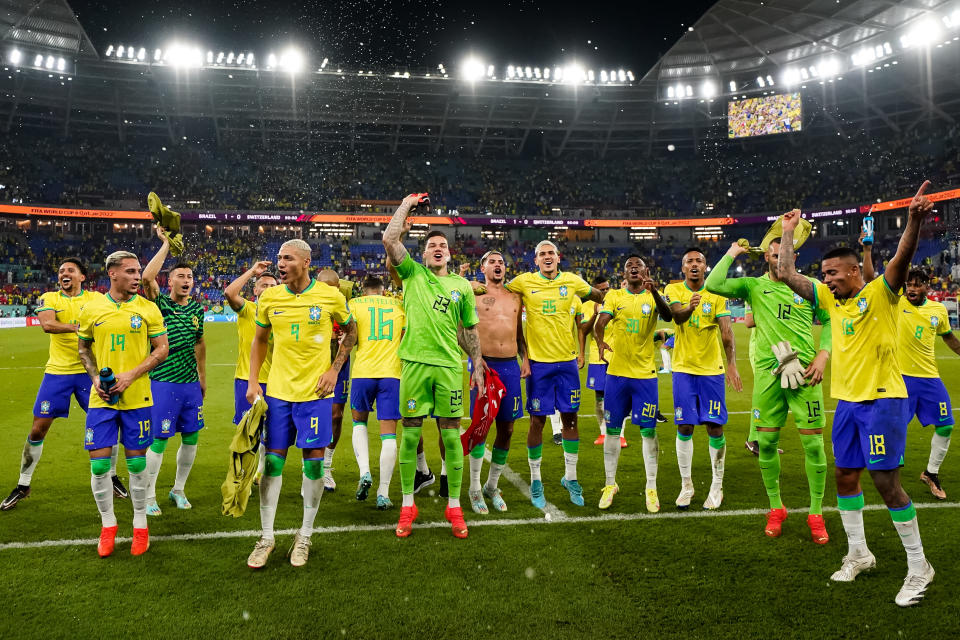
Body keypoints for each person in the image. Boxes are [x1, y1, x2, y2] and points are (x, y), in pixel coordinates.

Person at [778, 184, 936, 606]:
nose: (826, 279)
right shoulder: (831, 302)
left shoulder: (880, 294)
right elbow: (787, 274)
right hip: (847, 403)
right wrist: (789, 231)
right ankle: (859, 553)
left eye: (832, 273)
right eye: (824, 274)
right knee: (845, 477)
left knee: (887, 484)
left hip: (883, 400)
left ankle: (919, 566)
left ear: (852, 271)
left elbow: (901, 259)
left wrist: (915, 218)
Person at [706, 238, 832, 543]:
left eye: (784, 255)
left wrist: (823, 354)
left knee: (814, 446)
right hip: (768, 376)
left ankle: (816, 513)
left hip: (804, 373)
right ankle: (776, 507)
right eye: (774, 256)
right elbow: (713, 282)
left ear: (794, 255)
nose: (779, 261)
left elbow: (830, 321)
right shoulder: (751, 285)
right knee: (765, 443)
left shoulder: (811, 286)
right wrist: (732, 252)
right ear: (767, 257)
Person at [245, 239, 356, 569]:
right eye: (279, 257)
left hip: (315, 395)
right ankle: (266, 537)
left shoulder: (330, 296)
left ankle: (304, 535)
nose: (280, 263)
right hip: (278, 394)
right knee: (273, 466)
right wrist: (253, 382)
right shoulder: (270, 297)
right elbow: (260, 340)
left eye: (288, 258)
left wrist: (335, 370)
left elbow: (351, 331)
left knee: (313, 466)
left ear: (306, 262)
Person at [382, 194, 485, 538]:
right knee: (410, 436)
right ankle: (407, 504)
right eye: (432, 245)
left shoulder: (461, 288)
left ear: (449, 254)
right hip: (414, 365)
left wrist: (478, 364)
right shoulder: (411, 274)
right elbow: (389, 238)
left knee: (452, 437)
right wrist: (407, 204)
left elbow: (469, 331)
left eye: (443, 244)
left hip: (448, 368)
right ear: (423, 253)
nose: (438, 248)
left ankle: (454, 506)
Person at [2, 258, 127, 511]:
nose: (64, 274)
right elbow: (47, 324)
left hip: (87, 372)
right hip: (57, 373)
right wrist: (78, 327)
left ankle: (112, 476)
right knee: (38, 429)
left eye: (70, 270)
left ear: (83, 277)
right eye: (61, 271)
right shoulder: (50, 298)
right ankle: (23, 484)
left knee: (108, 423)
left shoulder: (95, 299)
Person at [77, 251, 169, 557]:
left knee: (137, 464)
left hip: (138, 397)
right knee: (101, 463)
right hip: (101, 399)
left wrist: (131, 374)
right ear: (112, 274)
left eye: (138, 271)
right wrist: (93, 379)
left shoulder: (148, 309)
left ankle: (140, 525)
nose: (136, 277)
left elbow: (161, 349)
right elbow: (83, 349)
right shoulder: (91, 309)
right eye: (130, 271)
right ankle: (109, 525)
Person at [505, 240, 604, 507]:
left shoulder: (573, 281)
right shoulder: (524, 282)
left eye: (551, 253)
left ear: (558, 257)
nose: (547, 257)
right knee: (537, 421)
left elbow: (599, 295)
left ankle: (570, 477)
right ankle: (536, 480)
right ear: (535, 260)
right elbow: (497, 289)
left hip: (568, 364)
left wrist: (626, 297)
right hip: (538, 365)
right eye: (542, 254)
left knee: (571, 419)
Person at [664, 248, 742, 510]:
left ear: (706, 267)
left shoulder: (717, 294)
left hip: (711, 371)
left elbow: (727, 332)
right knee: (685, 427)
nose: (694, 265)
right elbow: (677, 316)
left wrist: (731, 364)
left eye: (699, 261)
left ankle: (716, 486)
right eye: (689, 261)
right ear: (683, 268)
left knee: (714, 427)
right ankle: (687, 485)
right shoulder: (673, 290)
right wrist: (690, 306)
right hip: (684, 369)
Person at [593, 256, 672, 512]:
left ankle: (651, 487)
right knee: (612, 431)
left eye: (638, 265)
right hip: (616, 374)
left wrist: (655, 291)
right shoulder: (615, 296)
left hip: (646, 376)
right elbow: (601, 322)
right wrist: (600, 339)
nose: (634, 268)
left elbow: (669, 317)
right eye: (629, 266)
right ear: (623, 274)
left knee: (648, 431)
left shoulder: (653, 296)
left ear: (646, 271)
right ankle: (609, 484)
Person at [140, 228, 206, 515]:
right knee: (160, 439)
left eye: (190, 277)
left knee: (191, 438)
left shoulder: (198, 310)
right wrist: (166, 243)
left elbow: (200, 342)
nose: (187, 280)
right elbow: (145, 278)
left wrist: (203, 377)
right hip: (163, 382)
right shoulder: (160, 303)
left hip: (190, 384)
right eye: (181, 276)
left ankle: (178, 489)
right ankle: (149, 494)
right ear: (169, 281)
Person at [464, 251, 528, 514]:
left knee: (508, 428)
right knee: (481, 427)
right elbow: (463, 328)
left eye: (501, 262)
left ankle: (492, 485)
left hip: (511, 365)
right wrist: (475, 359)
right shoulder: (473, 291)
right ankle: (474, 488)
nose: (498, 265)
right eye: (492, 261)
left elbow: (518, 330)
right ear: (483, 267)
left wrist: (525, 357)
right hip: (485, 366)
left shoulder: (515, 296)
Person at [897, 269, 959, 500]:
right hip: (900, 377)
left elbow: (949, 338)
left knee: (945, 426)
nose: (912, 288)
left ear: (926, 286)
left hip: (930, 378)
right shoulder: (895, 303)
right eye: (909, 284)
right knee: (896, 426)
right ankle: (892, 483)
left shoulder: (938, 309)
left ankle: (931, 473)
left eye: (917, 284)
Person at [349, 274, 406, 509]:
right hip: (391, 374)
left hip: (362, 372)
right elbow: (405, 337)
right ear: (383, 291)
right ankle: (383, 492)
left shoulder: (354, 305)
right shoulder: (398, 305)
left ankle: (364, 472)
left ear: (364, 291)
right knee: (389, 435)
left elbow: (348, 336)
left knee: (359, 423)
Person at [223, 261, 279, 482]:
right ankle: (242, 473)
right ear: (255, 290)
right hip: (248, 380)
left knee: (272, 433)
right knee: (247, 431)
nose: (268, 289)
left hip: (276, 381)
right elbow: (229, 292)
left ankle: (261, 471)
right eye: (263, 285)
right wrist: (251, 272)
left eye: (273, 285)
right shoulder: (248, 309)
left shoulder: (283, 312)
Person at [316, 269, 355, 492]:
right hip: (315, 365)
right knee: (313, 412)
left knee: (336, 414)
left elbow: (355, 335)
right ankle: (311, 464)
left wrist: (341, 338)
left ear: (338, 288)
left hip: (340, 366)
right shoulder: (311, 300)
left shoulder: (346, 304)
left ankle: (327, 466)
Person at [579, 275, 625, 448]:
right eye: (602, 289)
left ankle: (620, 434)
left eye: (607, 288)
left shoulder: (618, 300)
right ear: (595, 289)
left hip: (618, 355)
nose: (606, 291)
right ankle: (603, 432)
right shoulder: (587, 306)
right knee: (599, 396)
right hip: (597, 358)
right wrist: (595, 314)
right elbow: (583, 330)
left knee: (619, 394)